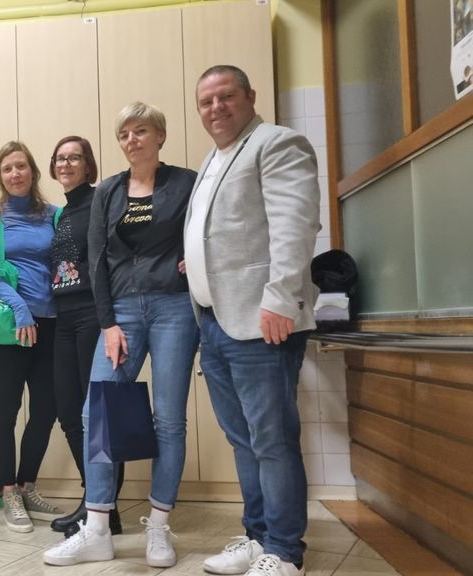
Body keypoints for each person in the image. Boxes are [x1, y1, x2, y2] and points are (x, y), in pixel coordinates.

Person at [43, 103, 200, 568]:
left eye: (141, 130)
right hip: (123, 311)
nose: (132, 139)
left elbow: (204, 232)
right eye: (125, 133)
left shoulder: (186, 183)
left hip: (174, 308)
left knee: (168, 420)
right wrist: (108, 323)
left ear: (160, 135)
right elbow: (96, 259)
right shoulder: (109, 190)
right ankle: (96, 529)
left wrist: (197, 260)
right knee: (98, 413)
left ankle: (159, 527)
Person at [186, 65, 320, 576]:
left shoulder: (276, 143)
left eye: (226, 96)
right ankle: (258, 535)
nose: (215, 108)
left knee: (271, 439)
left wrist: (281, 299)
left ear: (250, 96)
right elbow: (225, 232)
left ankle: (284, 552)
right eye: (206, 101)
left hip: (262, 320)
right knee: (243, 440)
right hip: (215, 322)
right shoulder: (213, 159)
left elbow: (295, 225)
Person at [0, 141, 61, 533]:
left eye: (21, 166)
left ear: (33, 171)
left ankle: (27, 486)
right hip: (9, 324)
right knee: (6, 410)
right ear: (0, 175)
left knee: (45, 410)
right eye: (7, 168)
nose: (15, 174)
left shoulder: (54, 215)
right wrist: (20, 307)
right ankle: (8, 491)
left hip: (51, 323)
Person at [45, 136, 124, 537]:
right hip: (63, 318)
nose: (66, 164)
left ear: (88, 164)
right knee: (69, 414)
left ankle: (103, 509)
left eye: (74, 157)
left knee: (100, 419)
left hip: (94, 316)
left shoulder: (99, 201)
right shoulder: (62, 212)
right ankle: (96, 500)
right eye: (60, 158)